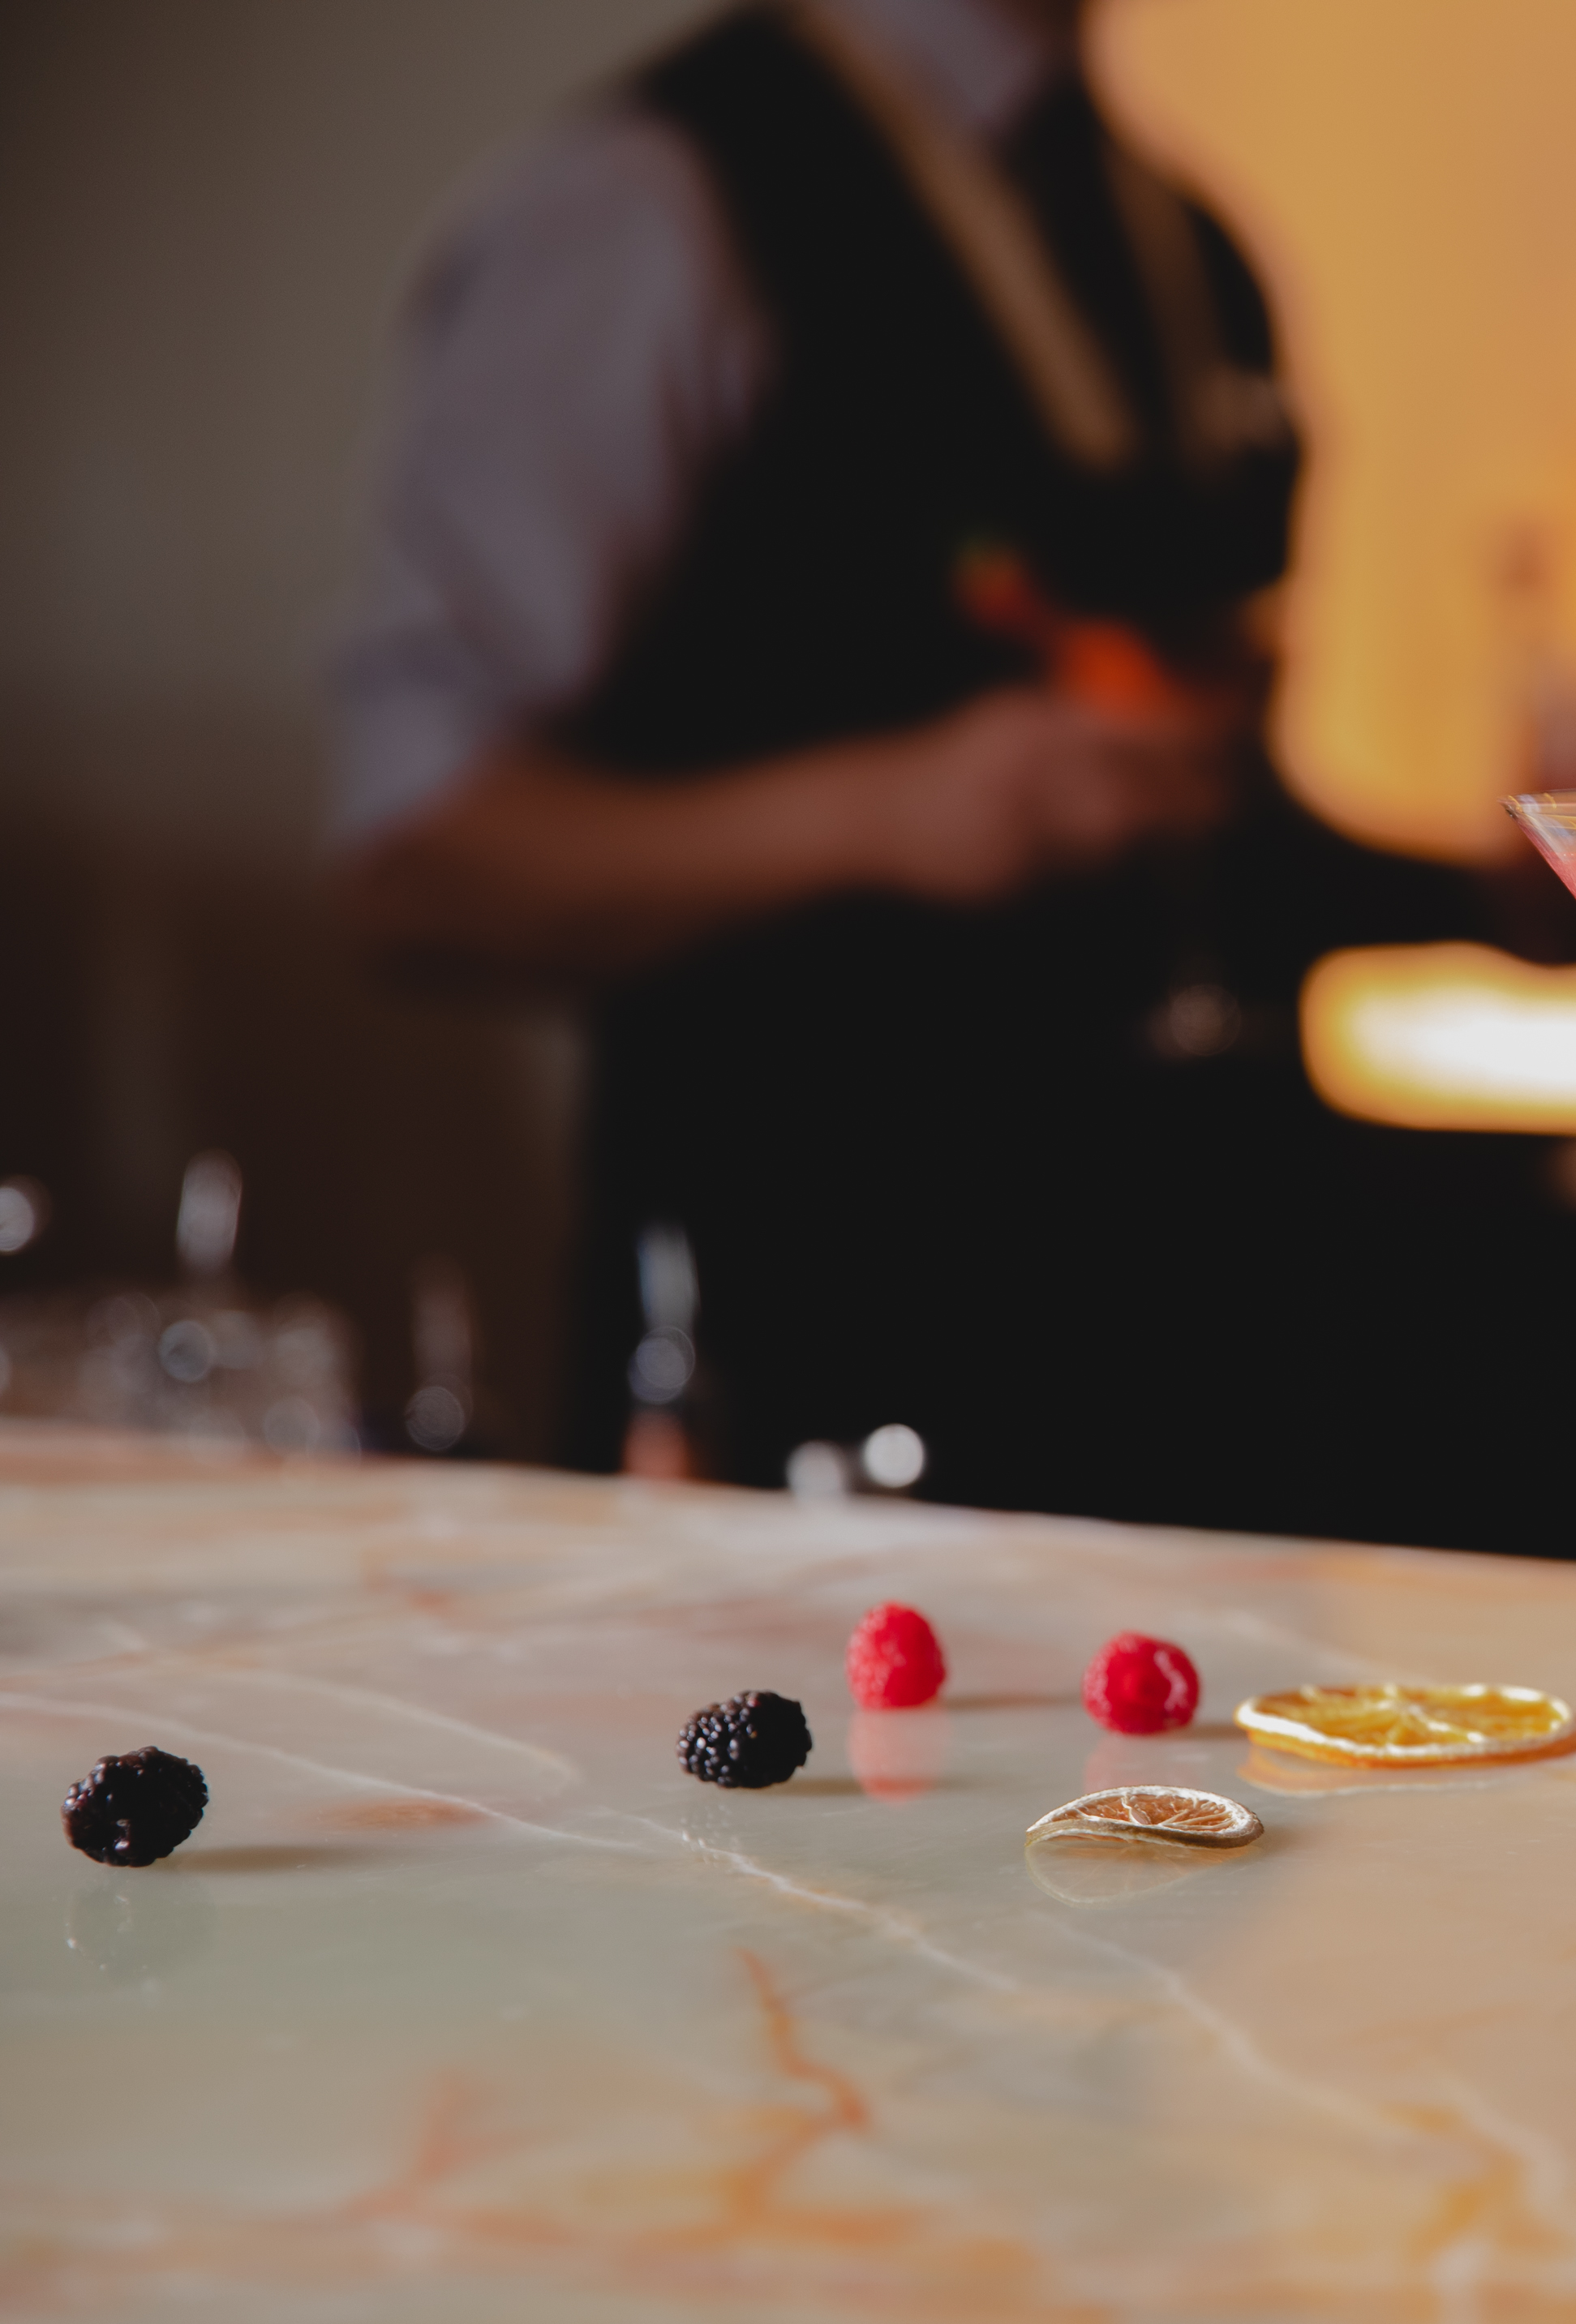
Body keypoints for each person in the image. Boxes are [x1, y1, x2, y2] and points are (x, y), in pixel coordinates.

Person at [334, 0, 1477, 1516]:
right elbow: (418, 859)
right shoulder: (654, 201)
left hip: (1218, 1358)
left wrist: (1508, 889)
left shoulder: (1182, 241)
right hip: (815, 1369)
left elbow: (1191, 830)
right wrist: (887, 815)